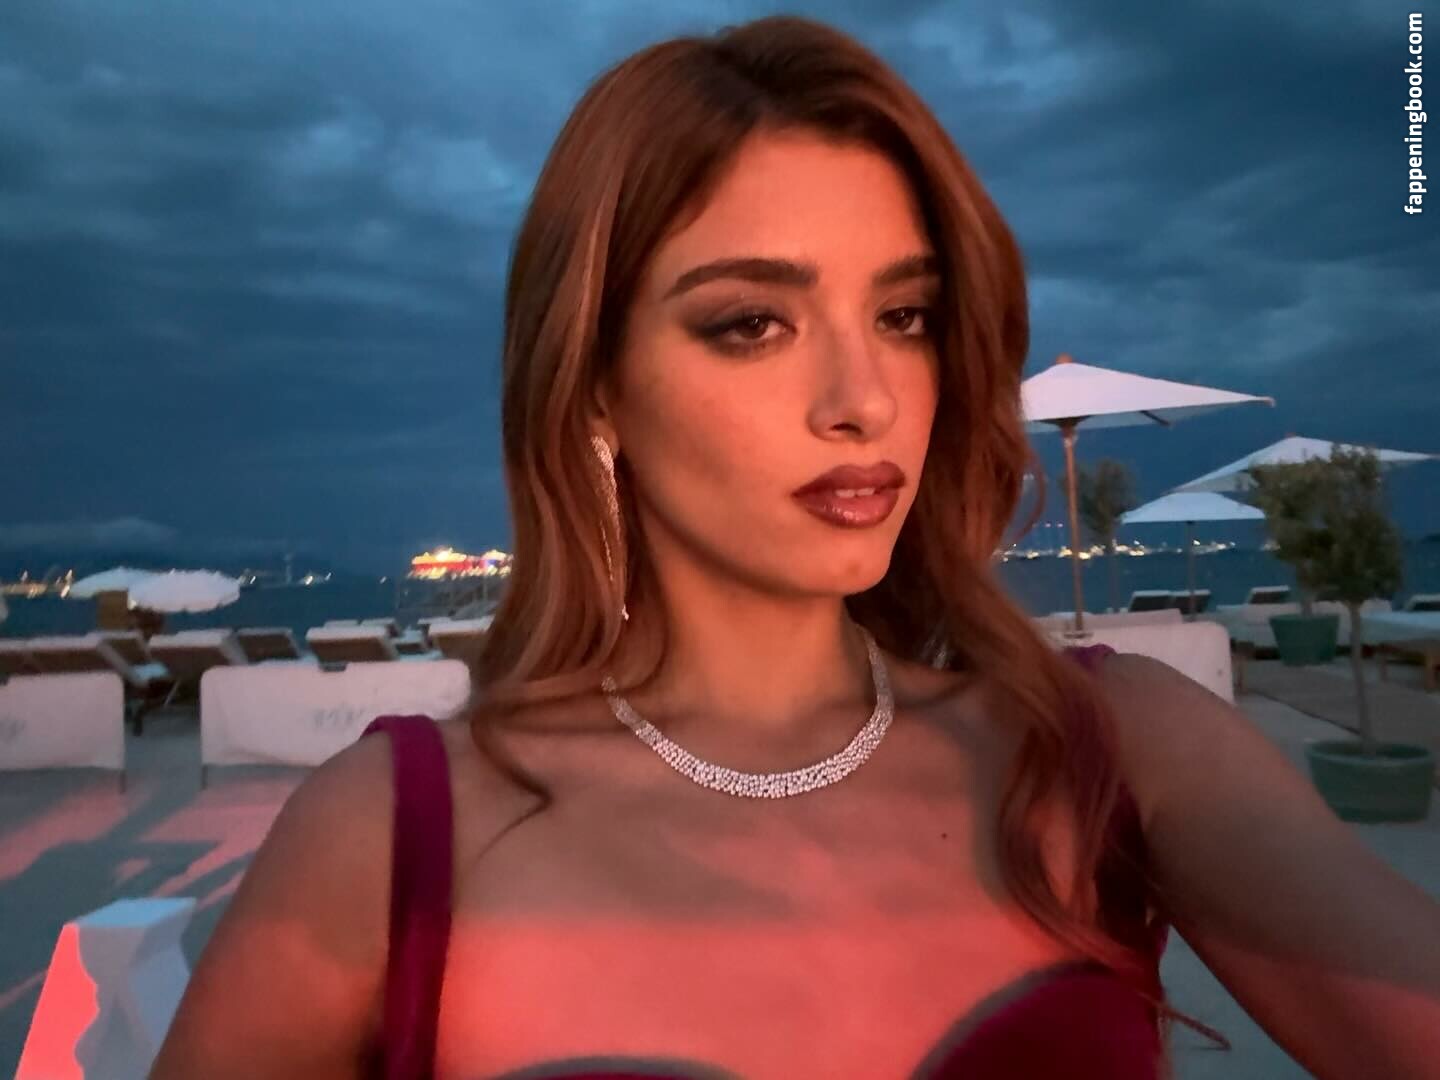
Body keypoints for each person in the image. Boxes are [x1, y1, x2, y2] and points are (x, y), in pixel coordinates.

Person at [151, 15, 1440, 1080]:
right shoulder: (386, 844)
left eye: (905, 315)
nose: (864, 399)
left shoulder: (1114, 750)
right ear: (595, 388)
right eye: (752, 323)